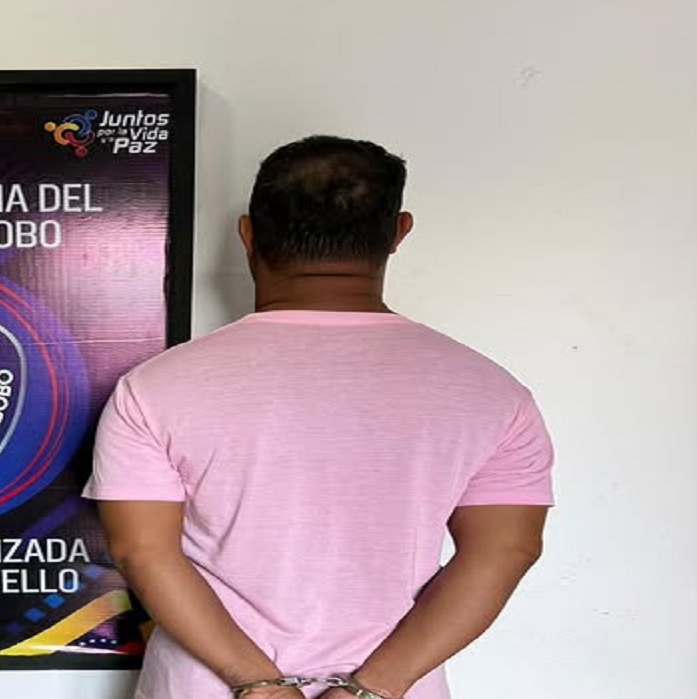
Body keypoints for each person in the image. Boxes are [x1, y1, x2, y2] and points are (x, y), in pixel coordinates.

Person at [84, 136, 554, 699]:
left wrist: (258, 685)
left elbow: (143, 551)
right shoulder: (492, 392)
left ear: (247, 234)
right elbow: (504, 550)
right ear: (399, 231)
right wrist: (373, 688)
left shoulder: (154, 388)